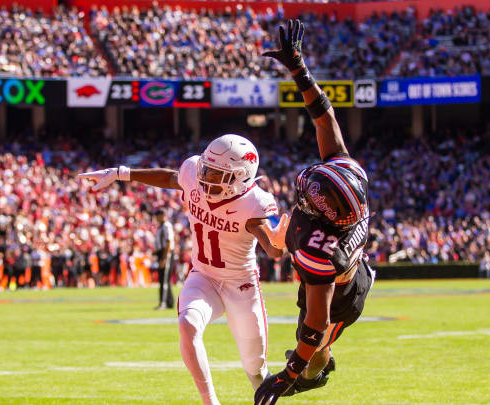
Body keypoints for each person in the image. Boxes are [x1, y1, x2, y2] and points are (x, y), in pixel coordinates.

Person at [79, 134, 289, 405]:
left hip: (241, 284)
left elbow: (273, 251)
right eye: (207, 169)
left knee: (256, 370)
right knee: (187, 324)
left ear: (241, 176)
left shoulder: (255, 203)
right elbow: (170, 178)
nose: (207, 178)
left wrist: (281, 245)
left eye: (218, 175)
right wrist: (122, 173)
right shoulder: (193, 173)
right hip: (203, 276)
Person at [254, 19, 374, 405]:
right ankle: (315, 360)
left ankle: (319, 371)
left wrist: (286, 377)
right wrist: (299, 71)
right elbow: (325, 117)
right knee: (308, 336)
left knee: (311, 348)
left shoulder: (319, 249)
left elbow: (317, 319)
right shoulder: (348, 180)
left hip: (339, 297)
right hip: (338, 274)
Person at [154, 208, 175, 310]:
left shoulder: (166, 226)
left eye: (158, 215)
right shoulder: (161, 227)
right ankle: (170, 302)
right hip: (161, 253)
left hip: (166, 253)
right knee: (163, 279)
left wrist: (164, 257)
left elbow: (168, 241)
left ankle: (163, 303)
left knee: (164, 280)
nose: (157, 218)